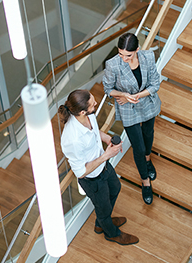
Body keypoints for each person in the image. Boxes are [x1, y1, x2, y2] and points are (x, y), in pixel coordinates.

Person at [59, 89, 139, 246]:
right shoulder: (72, 139)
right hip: (92, 179)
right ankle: (111, 233)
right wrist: (106, 156)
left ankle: (102, 221)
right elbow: (80, 172)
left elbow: (96, 132)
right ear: (82, 111)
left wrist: (108, 138)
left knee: (115, 188)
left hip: (104, 167)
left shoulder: (88, 116)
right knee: (102, 209)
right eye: (92, 103)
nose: (96, 103)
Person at [102, 32, 161, 205]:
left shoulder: (148, 57)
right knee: (138, 146)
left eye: (128, 55)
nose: (124, 58)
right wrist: (123, 95)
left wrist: (136, 95)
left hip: (147, 102)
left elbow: (155, 84)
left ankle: (148, 160)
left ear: (137, 50)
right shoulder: (113, 64)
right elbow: (107, 88)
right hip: (128, 108)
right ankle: (145, 181)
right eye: (120, 54)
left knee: (148, 133)